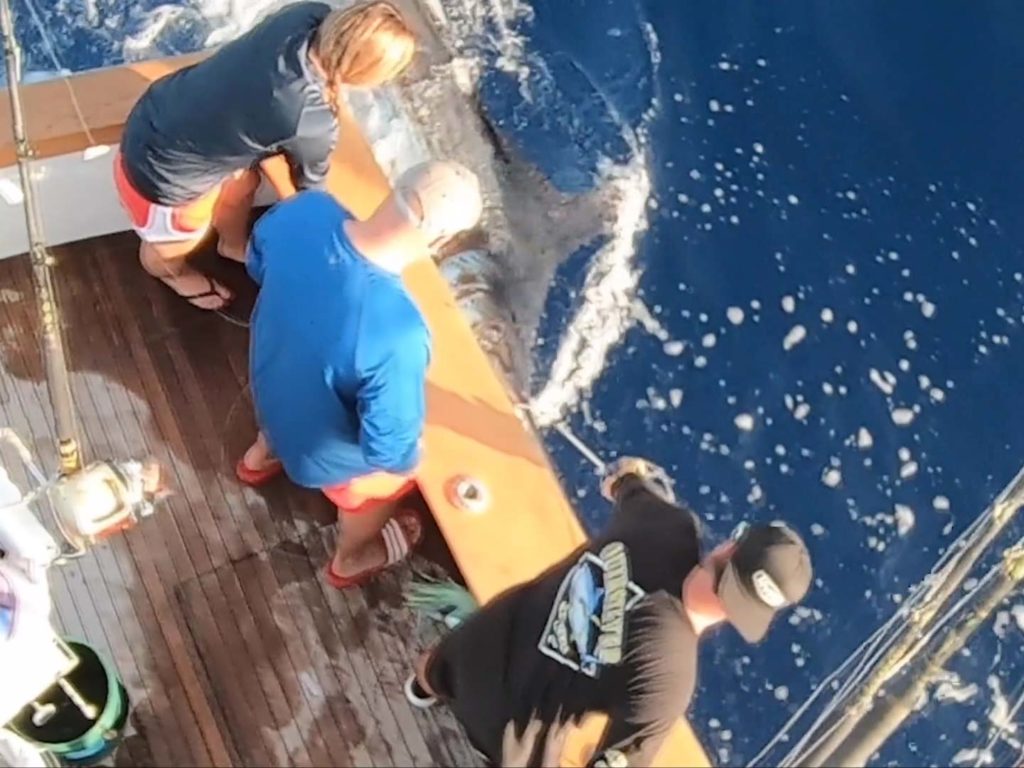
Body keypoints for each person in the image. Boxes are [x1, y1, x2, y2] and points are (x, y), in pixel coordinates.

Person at [406, 458, 814, 767]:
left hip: (473, 651)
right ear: (750, 613)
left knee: (432, 668)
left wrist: (628, 477)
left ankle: (419, 691)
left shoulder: (667, 524)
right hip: (507, 742)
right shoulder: (670, 680)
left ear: (729, 547)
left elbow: (625, 482)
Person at [236, 160, 483, 588]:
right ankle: (351, 558)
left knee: (301, 379)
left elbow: (257, 260)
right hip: (318, 458)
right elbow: (389, 450)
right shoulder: (400, 334)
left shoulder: (308, 209)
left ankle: (258, 459)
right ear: (441, 239)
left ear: (396, 188)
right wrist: (418, 456)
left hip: (265, 383)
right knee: (396, 474)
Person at [113, 1, 416, 310]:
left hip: (156, 111)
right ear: (362, 73)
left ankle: (231, 245)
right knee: (171, 248)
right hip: (161, 176)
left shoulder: (305, 14)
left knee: (245, 181)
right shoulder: (311, 117)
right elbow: (310, 191)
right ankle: (173, 275)